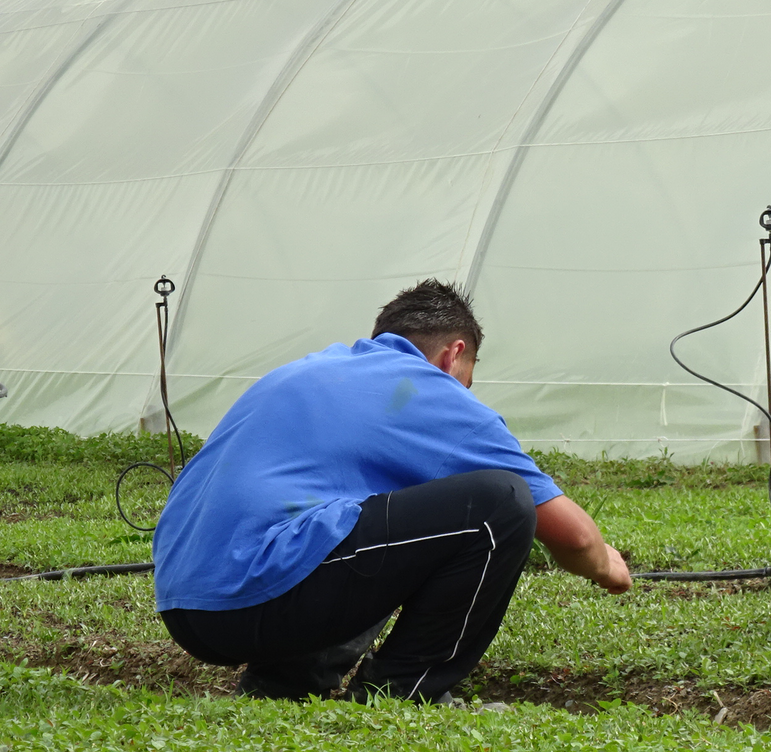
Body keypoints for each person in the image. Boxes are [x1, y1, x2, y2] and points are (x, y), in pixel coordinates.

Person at [153, 279, 631, 702]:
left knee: (365, 517)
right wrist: (609, 567)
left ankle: (284, 682)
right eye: (468, 380)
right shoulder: (431, 391)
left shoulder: (306, 371)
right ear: (453, 355)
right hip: (256, 598)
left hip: (186, 606)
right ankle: (404, 689)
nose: (464, 392)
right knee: (500, 503)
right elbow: (574, 537)